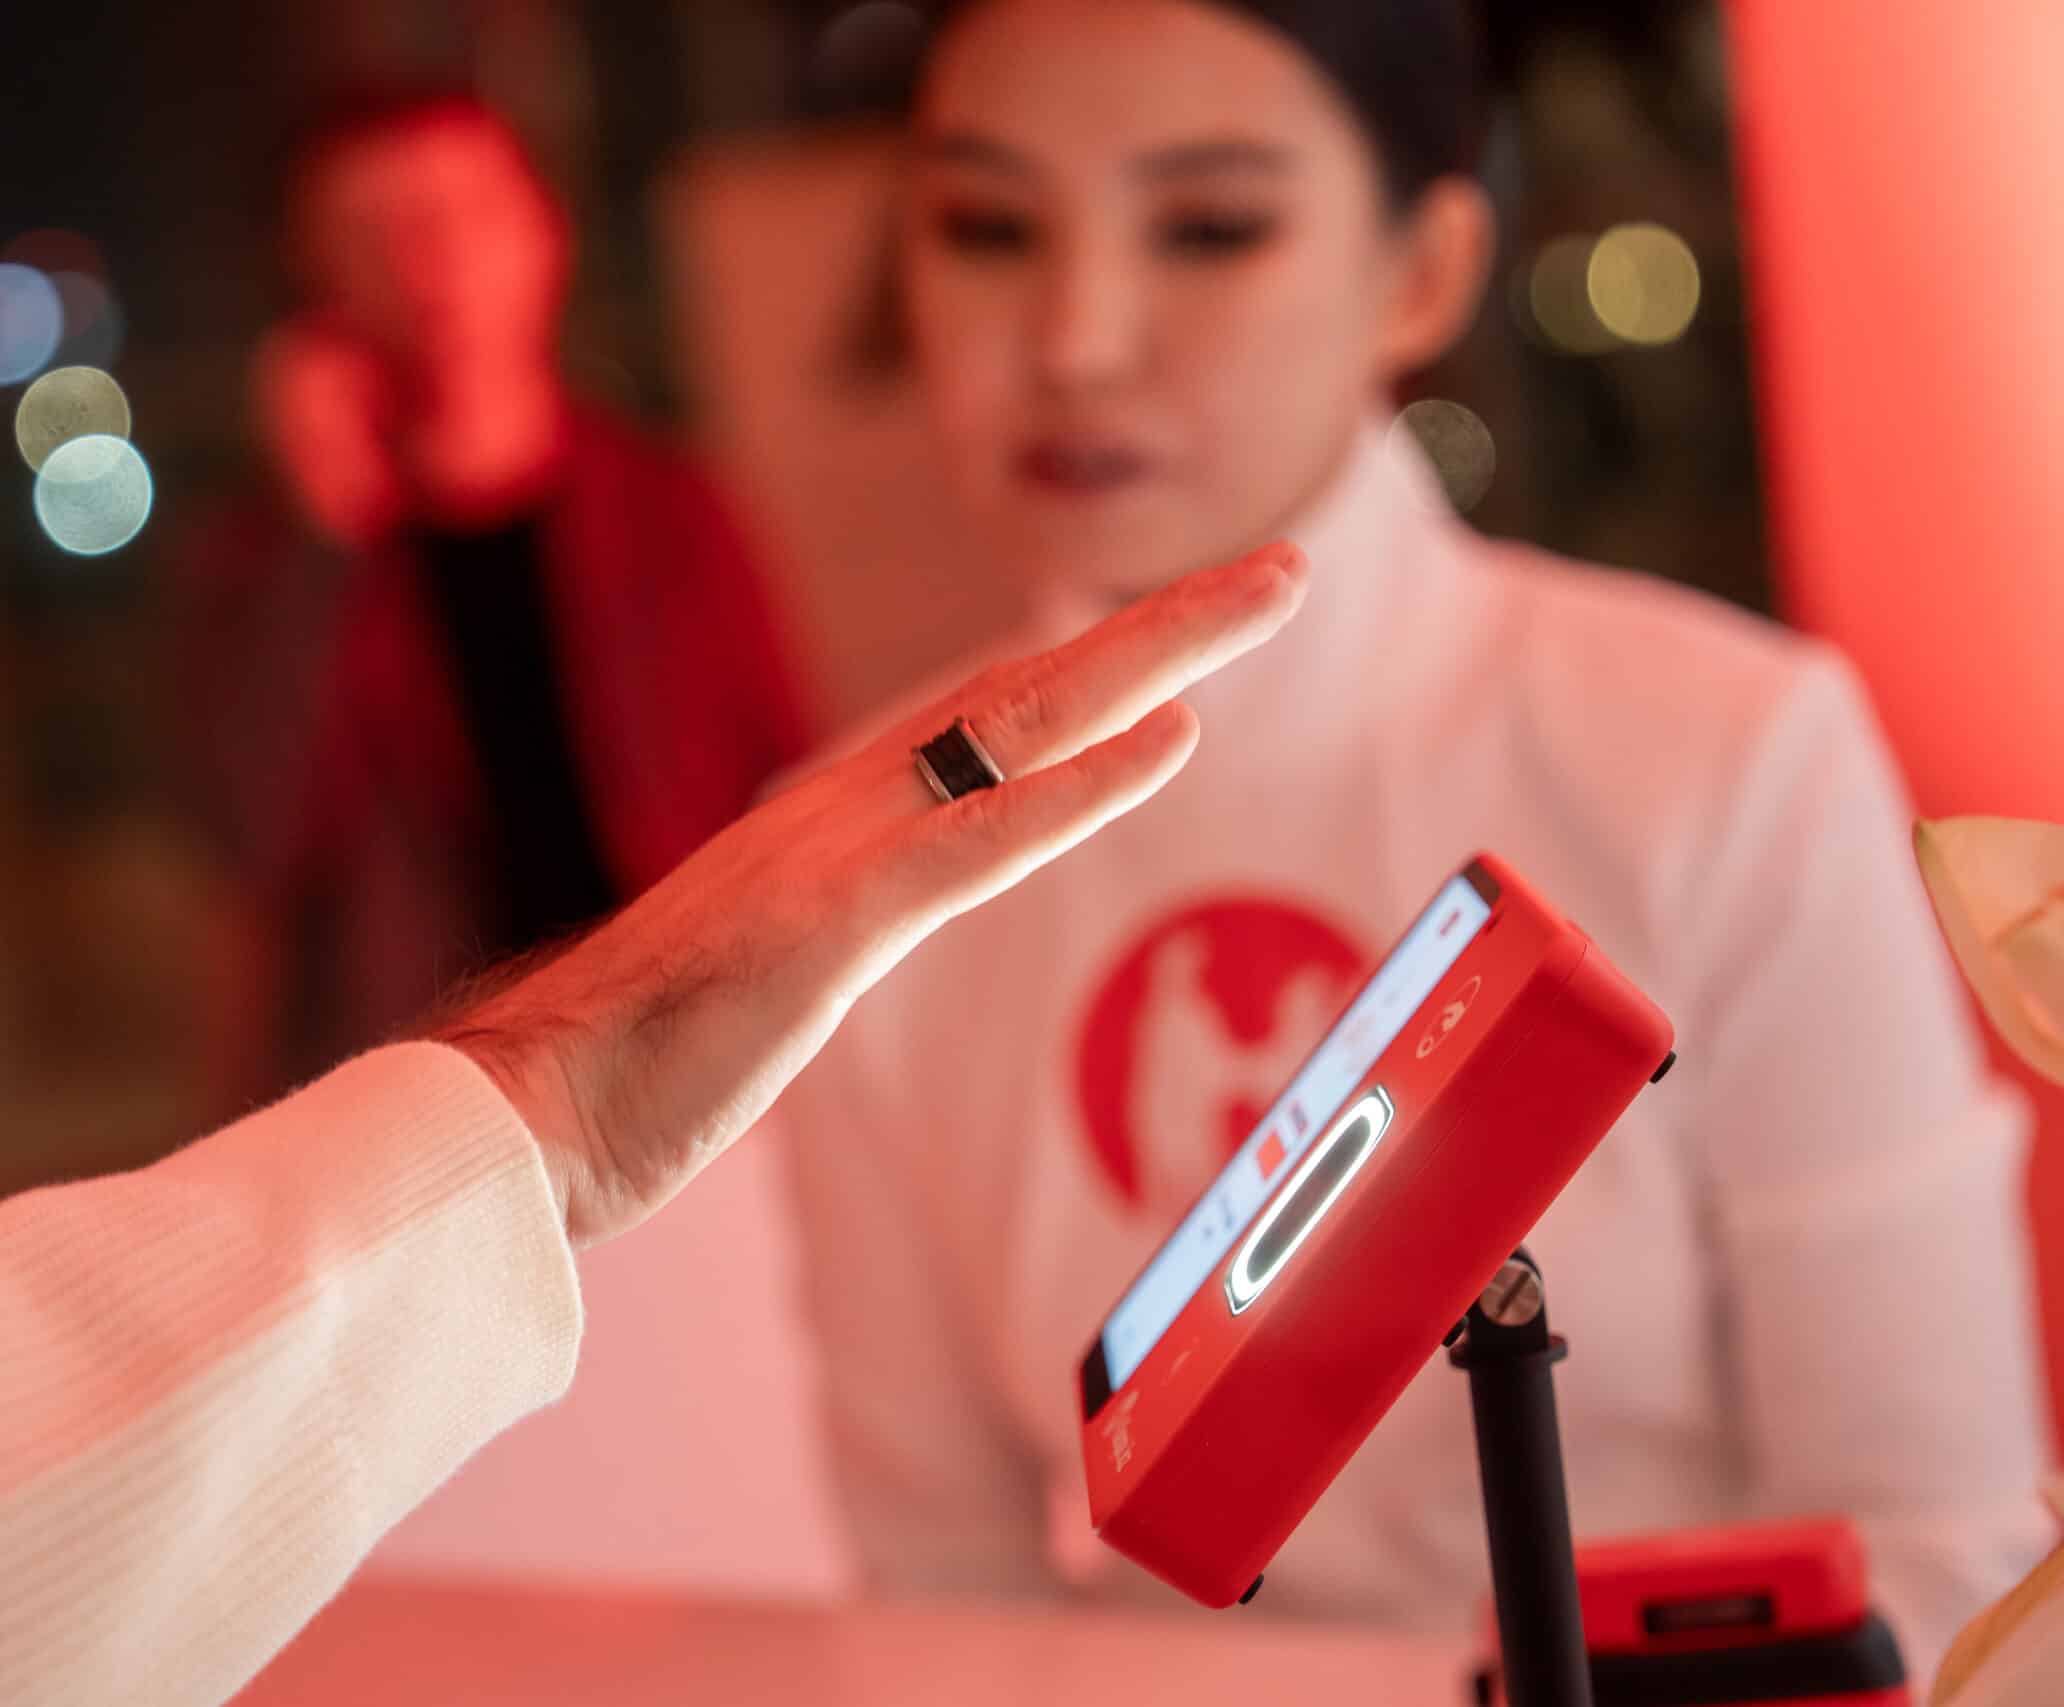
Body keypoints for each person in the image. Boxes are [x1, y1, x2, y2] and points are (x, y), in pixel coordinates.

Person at [775, 0, 2051, 1672]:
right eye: (989, 226)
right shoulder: (853, 852)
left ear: (1427, 269)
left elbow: (1939, 1556)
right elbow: (939, 1612)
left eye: (1210, 226)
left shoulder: (1728, 755)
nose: (1076, 337)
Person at [0, 546, 1306, 1707]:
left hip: (547, 1142)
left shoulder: (651, 514)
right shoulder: (293, 553)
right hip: (426, 1156)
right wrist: (548, 1088)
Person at [175, 88, 810, 1098]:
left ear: (545, 235)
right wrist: (323, 543)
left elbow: (787, 782)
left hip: (686, 1054)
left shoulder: (670, 507)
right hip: (425, 1091)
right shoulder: (270, 556)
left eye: (466, 214)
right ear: (313, 279)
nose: (431, 263)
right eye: (373, 231)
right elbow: (252, 835)